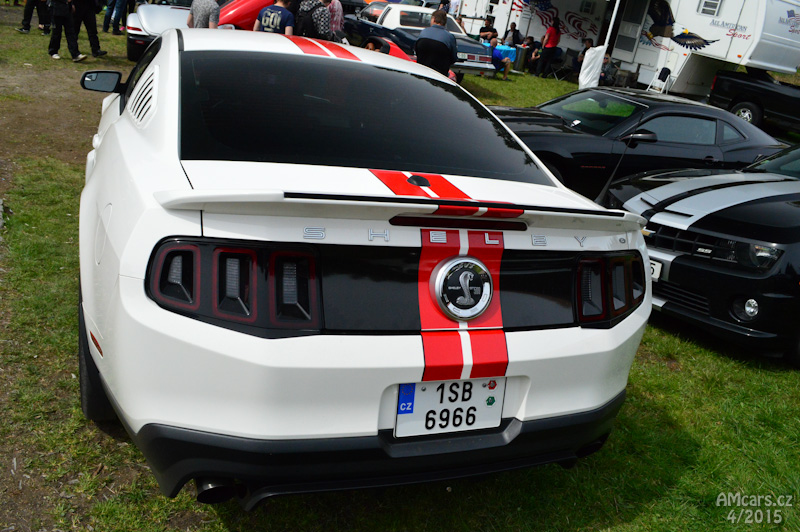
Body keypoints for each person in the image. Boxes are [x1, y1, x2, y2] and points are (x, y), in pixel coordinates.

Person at [414, 9, 457, 77]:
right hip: (439, 75)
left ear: (433, 19)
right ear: (445, 22)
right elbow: (453, 57)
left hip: (421, 72)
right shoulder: (449, 37)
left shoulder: (424, 32)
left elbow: (416, 50)